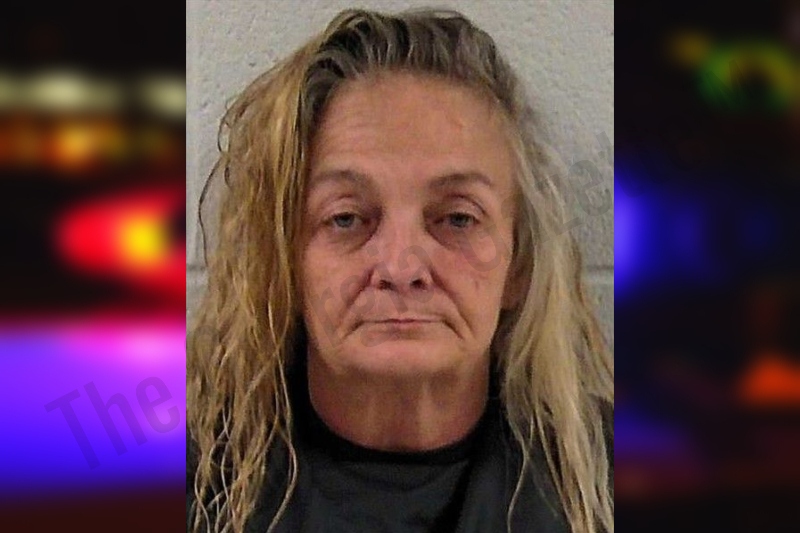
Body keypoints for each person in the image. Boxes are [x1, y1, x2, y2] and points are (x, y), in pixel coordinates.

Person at [187, 7, 613, 533]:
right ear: (284, 262)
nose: (400, 267)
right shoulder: (190, 488)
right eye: (346, 218)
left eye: (457, 219)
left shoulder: (611, 484)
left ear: (519, 263)